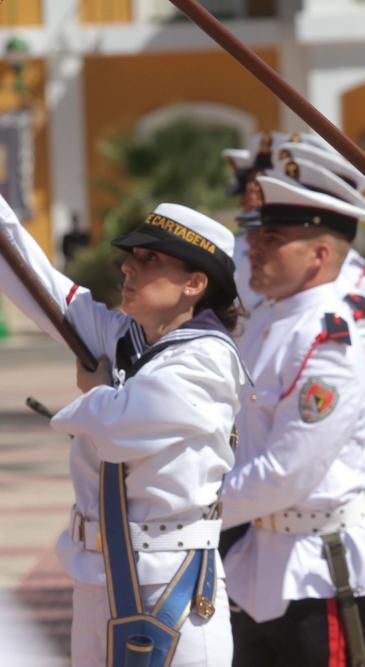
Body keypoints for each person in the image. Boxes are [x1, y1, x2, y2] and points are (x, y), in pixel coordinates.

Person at [0, 195, 244, 666]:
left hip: (171, 578)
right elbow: (39, 286)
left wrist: (92, 392)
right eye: (130, 258)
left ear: (195, 282)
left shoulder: (207, 358)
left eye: (149, 260)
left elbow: (120, 425)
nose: (128, 269)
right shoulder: (127, 338)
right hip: (98, 574)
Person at [220, 174, 365, 666]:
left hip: (317, 570)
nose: (253, 248)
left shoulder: (327, 341)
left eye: (273, 240)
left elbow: (288, 471)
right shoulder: (271, 322)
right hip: (263, 556)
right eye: (257, 236)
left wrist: (189, 510)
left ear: (319, 256)